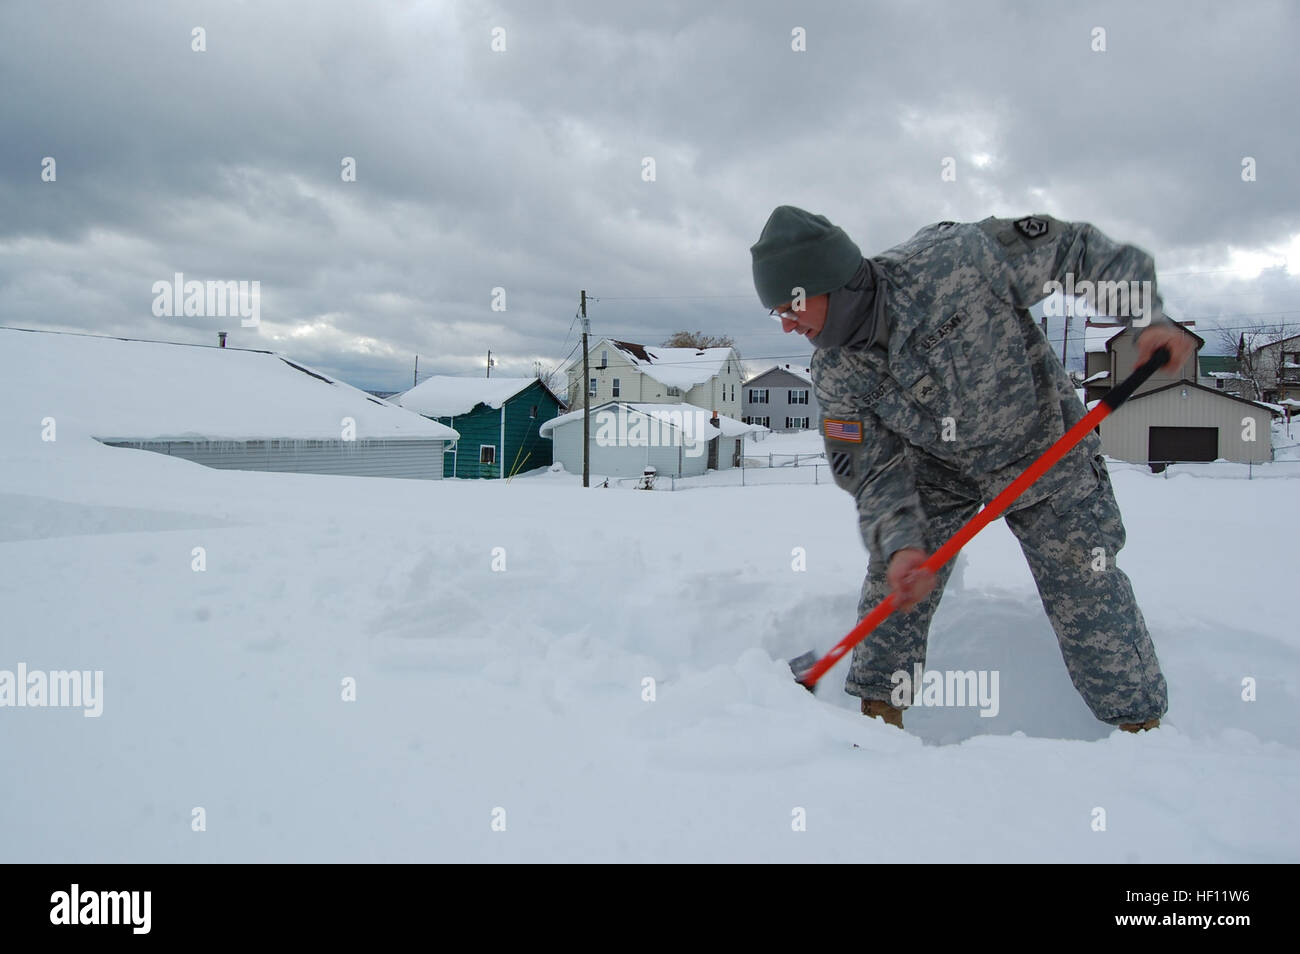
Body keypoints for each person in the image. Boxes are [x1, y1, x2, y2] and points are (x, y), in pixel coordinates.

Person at [750, 206, 1193, 732]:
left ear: (832, 282)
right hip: (937, 471)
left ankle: (1140, 729)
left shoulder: (958, 261)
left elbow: (1074, 251)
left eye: (790, 306)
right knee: (894, 589)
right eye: (776, 312)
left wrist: (1147, 317)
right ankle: (876, 725)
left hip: (1042, 449)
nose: (786, 323)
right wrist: (901, 542)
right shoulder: (834, 370)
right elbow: (871, 469)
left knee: (1086, 582)